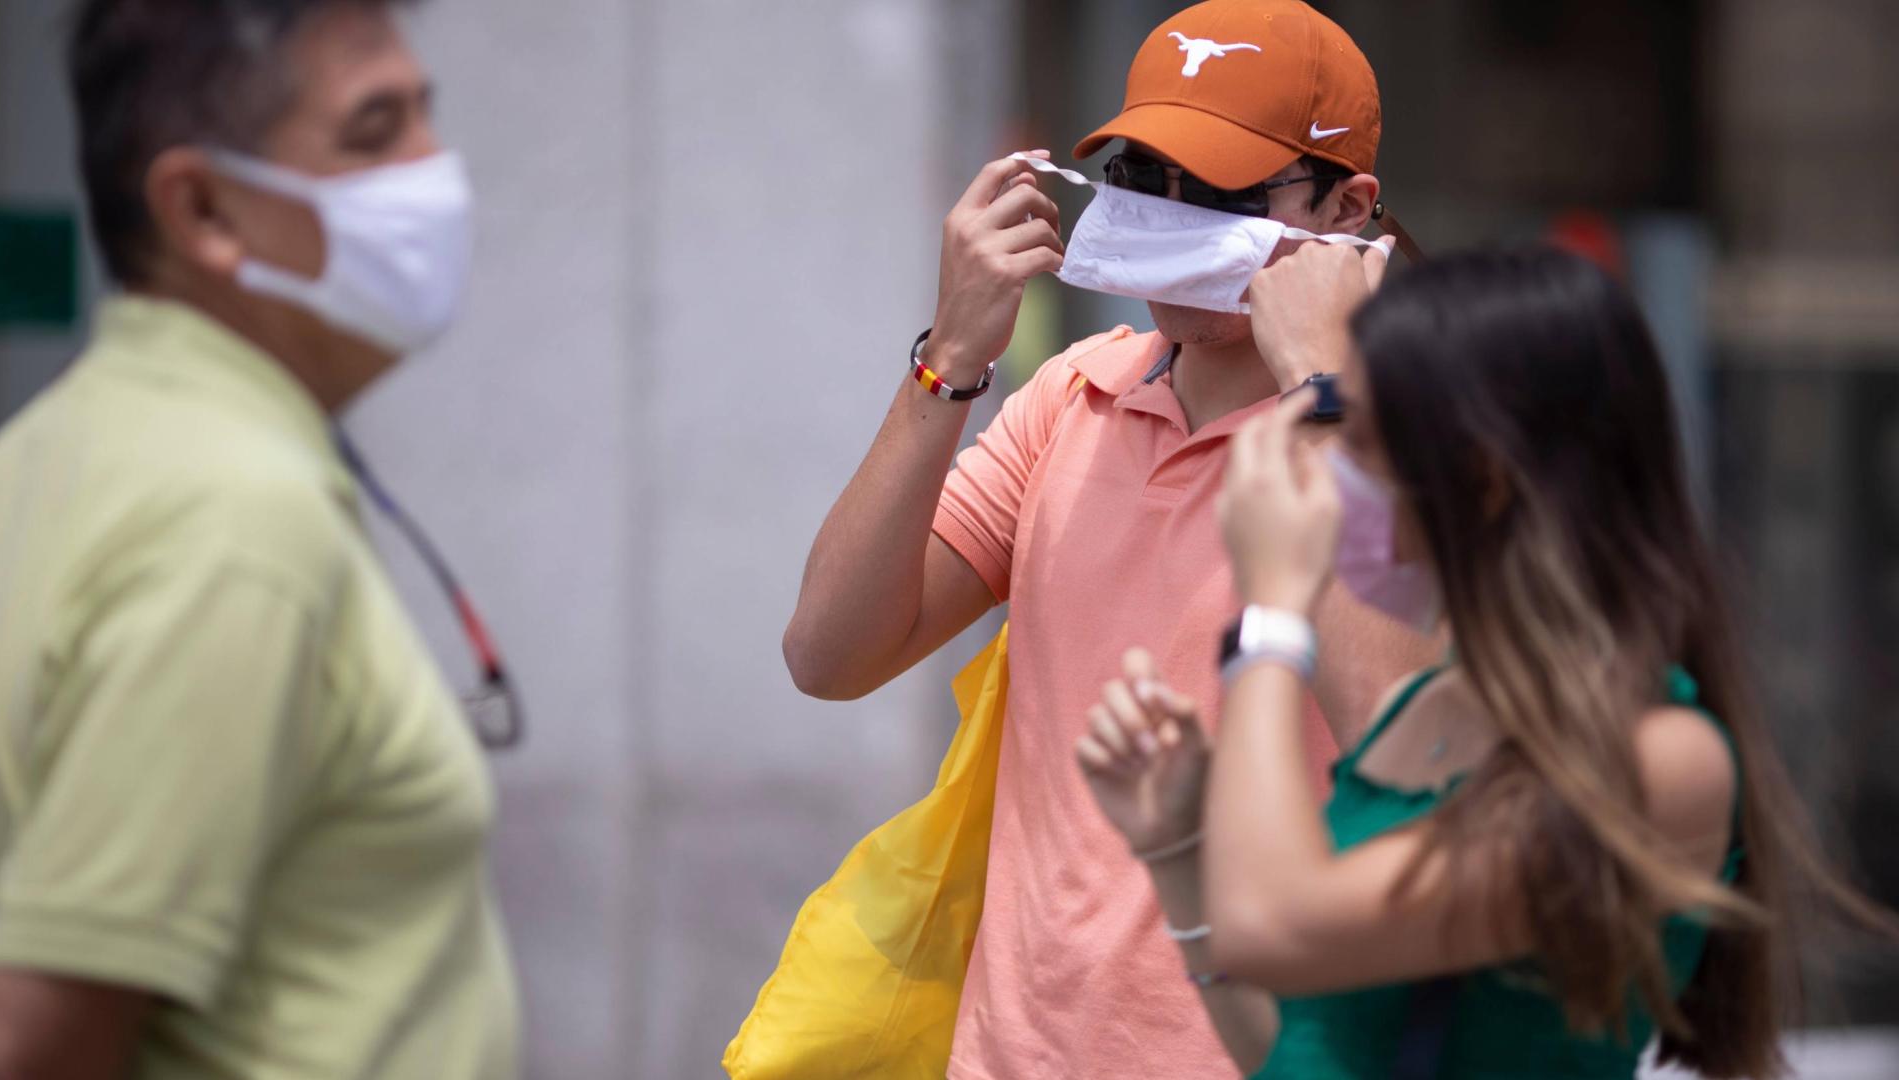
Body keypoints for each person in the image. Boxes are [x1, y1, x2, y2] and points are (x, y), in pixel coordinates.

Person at [783, 1, 1435, 1076]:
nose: (1170, 214)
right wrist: (951, 354)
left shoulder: (1418, 428)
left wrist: (1325, 391)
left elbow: (1405, 744)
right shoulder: (1070, 397)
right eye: (1144, 174)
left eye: (1221, 189)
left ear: (1347, 206)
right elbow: (828, 652)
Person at [1078, 245, 1897, 1077]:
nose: (1333, 476)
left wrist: (1274, 615)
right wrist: (1175, 845)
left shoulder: (1661, 761)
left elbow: (1276, 929)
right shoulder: (1421, 713)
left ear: (1485, 480)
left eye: (1359, 441)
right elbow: (1309, 1046)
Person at [0, 2, 518, 1078]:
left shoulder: (44, 453)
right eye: (374, 134)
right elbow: (35, 1040)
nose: (434, 171)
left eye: (425, 116)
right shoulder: (233, 522)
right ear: (204, 209)